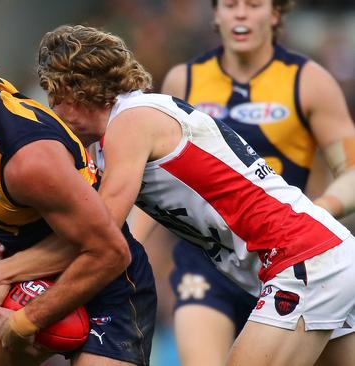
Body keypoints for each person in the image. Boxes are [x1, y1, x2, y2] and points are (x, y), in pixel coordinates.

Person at [28, 24, 355, 365]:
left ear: (78, 90)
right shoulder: (120, 132)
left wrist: (25, 285)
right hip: (314, 255)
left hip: (301, 258)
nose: (55, 112)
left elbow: (101, 228)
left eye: (55, 98)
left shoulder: (129, 123)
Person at [0, 20, 157, 366]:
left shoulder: (30, 160)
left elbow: (111, 253)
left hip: (106, 283)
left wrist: (28, 319)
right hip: (28, 272)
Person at [153, 1, 355, 364]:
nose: (240, 14)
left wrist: (319, 210)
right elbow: (157, 182)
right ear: (216, 15)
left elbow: (353, 170)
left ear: (276, 14)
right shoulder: (183, 80)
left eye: (253, 4)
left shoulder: (308, 80)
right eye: (230, 5)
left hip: (290, 261)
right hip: (207, 263)